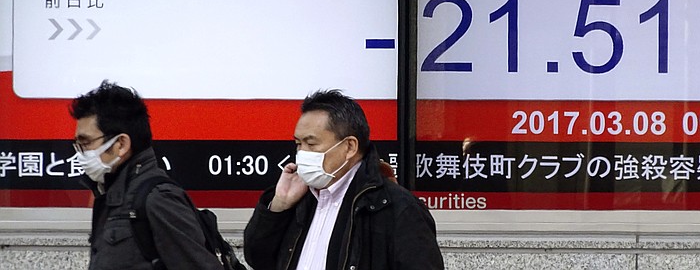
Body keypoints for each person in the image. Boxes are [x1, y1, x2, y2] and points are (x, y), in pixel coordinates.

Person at [244, 89, 444, 270]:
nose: (302, 153)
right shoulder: (300, 197)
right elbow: (257, 259)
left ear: (349, 147)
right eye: (298, 144)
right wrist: (279, 205)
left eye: (311, 144)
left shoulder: (397, 208)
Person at [70, 81, 222, 270]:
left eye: (86, 143)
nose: (80, 153)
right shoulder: (112, 196)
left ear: (121, 144)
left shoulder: (157, 199)